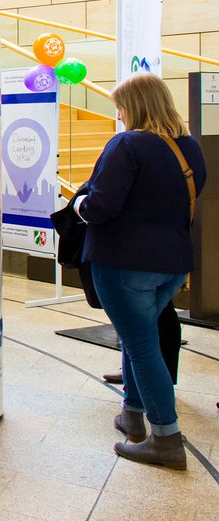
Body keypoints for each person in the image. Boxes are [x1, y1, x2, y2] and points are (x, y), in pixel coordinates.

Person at [76, 72, 206, 470]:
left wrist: (79, 205)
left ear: (134, 106)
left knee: (141, 345)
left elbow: (101, 205)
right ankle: (131, 413)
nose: (118, 114)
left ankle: (166, 438)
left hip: (124, 263)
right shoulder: (188, 146)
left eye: (119, 106)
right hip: (173, 263)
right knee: (140, 337)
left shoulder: (127, 144)